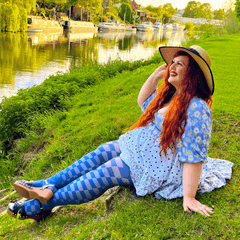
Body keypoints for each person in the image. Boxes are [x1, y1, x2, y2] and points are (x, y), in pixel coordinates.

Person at [8, 45, 233, 221]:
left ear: (193, 73)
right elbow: (143, 101)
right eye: (172, 62)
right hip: (142, 148)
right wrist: (155, 77)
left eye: (180, 64)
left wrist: (189, 196)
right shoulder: (171, 95)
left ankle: (36, 206)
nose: (172, 67)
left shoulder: (197, 107)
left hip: (158, 165)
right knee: (101, 151)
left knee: (104, 173)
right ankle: (47, 184)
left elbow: (193, 154)